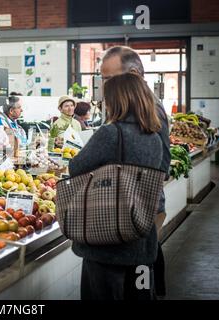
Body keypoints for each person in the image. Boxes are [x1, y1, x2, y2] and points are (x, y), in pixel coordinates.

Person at [67, 72, 165, 300]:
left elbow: (76, 167)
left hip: (108, 240)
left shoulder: (110, 133)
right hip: (142, 238)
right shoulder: (154, 137)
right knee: (140, 295)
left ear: (117, 100)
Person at [100, 46, 171, 298]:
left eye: (109, 79)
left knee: (138, 281)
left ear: (133, 74)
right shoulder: (128, 106)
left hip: (142, 210)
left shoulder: (150, 108)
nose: (104, 86)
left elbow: (163, 163)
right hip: (132, 210)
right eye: (102, 79)